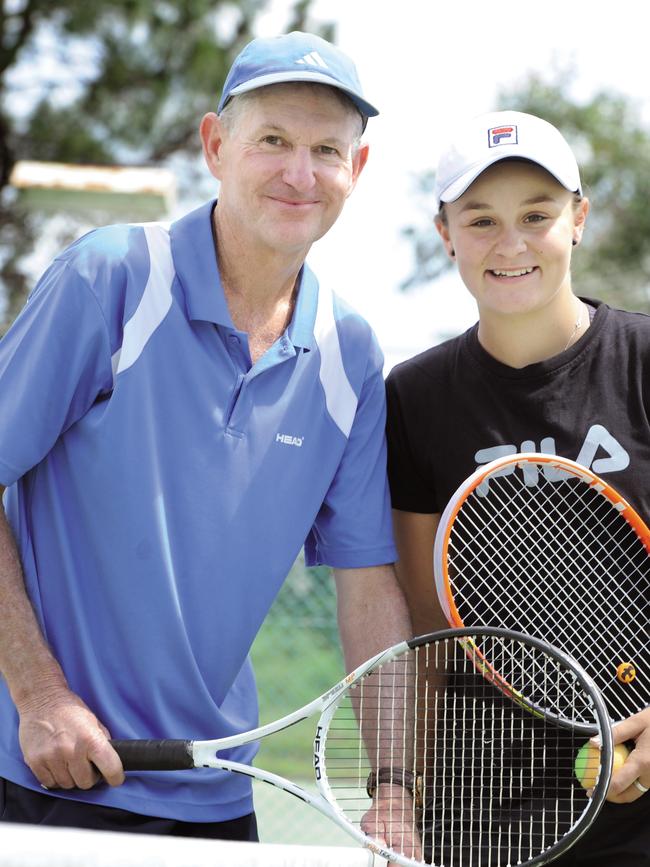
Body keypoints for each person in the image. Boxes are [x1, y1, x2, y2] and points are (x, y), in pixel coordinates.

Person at [0, 31, 417, 849]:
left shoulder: (352, 354)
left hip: (213, 800)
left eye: (326, 150)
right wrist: (39, 695)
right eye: (273, 141)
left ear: (356, 172)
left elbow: (369, 588)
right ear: (215, 145)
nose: (300, 174)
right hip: (33, 769)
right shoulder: (110, 278)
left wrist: (395, 789)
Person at [385, 109, 650, 864]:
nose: (511, 244)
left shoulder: (642, 359)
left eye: (537, 214)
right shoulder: (414, 395)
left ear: (579, 219)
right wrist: (402, 789)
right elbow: (427, 629)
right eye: (481, 219)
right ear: (445, 233)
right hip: (482, 801)